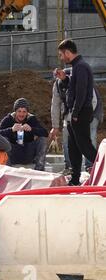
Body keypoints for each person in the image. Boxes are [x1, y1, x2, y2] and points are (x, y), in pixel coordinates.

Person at [54, 39, 97, 185]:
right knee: (74, 148)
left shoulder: (81, 67)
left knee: (85, 146)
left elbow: (81, 92)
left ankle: (102, 171)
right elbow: (74, 87)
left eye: (61, 55)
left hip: (81, 113)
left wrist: (76, 113)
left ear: (67, 52)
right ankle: (75, 178)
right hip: (76, 113)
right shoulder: (76, 67)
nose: (61, 58)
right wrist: (65, 78)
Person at [50, 67, 103, 173]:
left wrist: (84, 119)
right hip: (70, 113)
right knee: (67, 138)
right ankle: (69, 167)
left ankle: (91, 166)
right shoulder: (58, 84)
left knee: (89, 137)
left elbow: (93, 100)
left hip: (91, 111)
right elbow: (55, 104)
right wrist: (55, 126)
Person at [0, 98, 48, 171]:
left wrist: (32, 129)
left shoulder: (32, 119)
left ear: (27, 112)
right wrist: (11, 130)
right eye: (19, 111)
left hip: (28, 152)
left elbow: (45, 133)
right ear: (15, 111)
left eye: (24, 111)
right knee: (4, 139)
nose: (21, 114)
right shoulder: (8, 119)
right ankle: (6, 169)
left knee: (42, 139)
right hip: (13, 154)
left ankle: (40, 169)